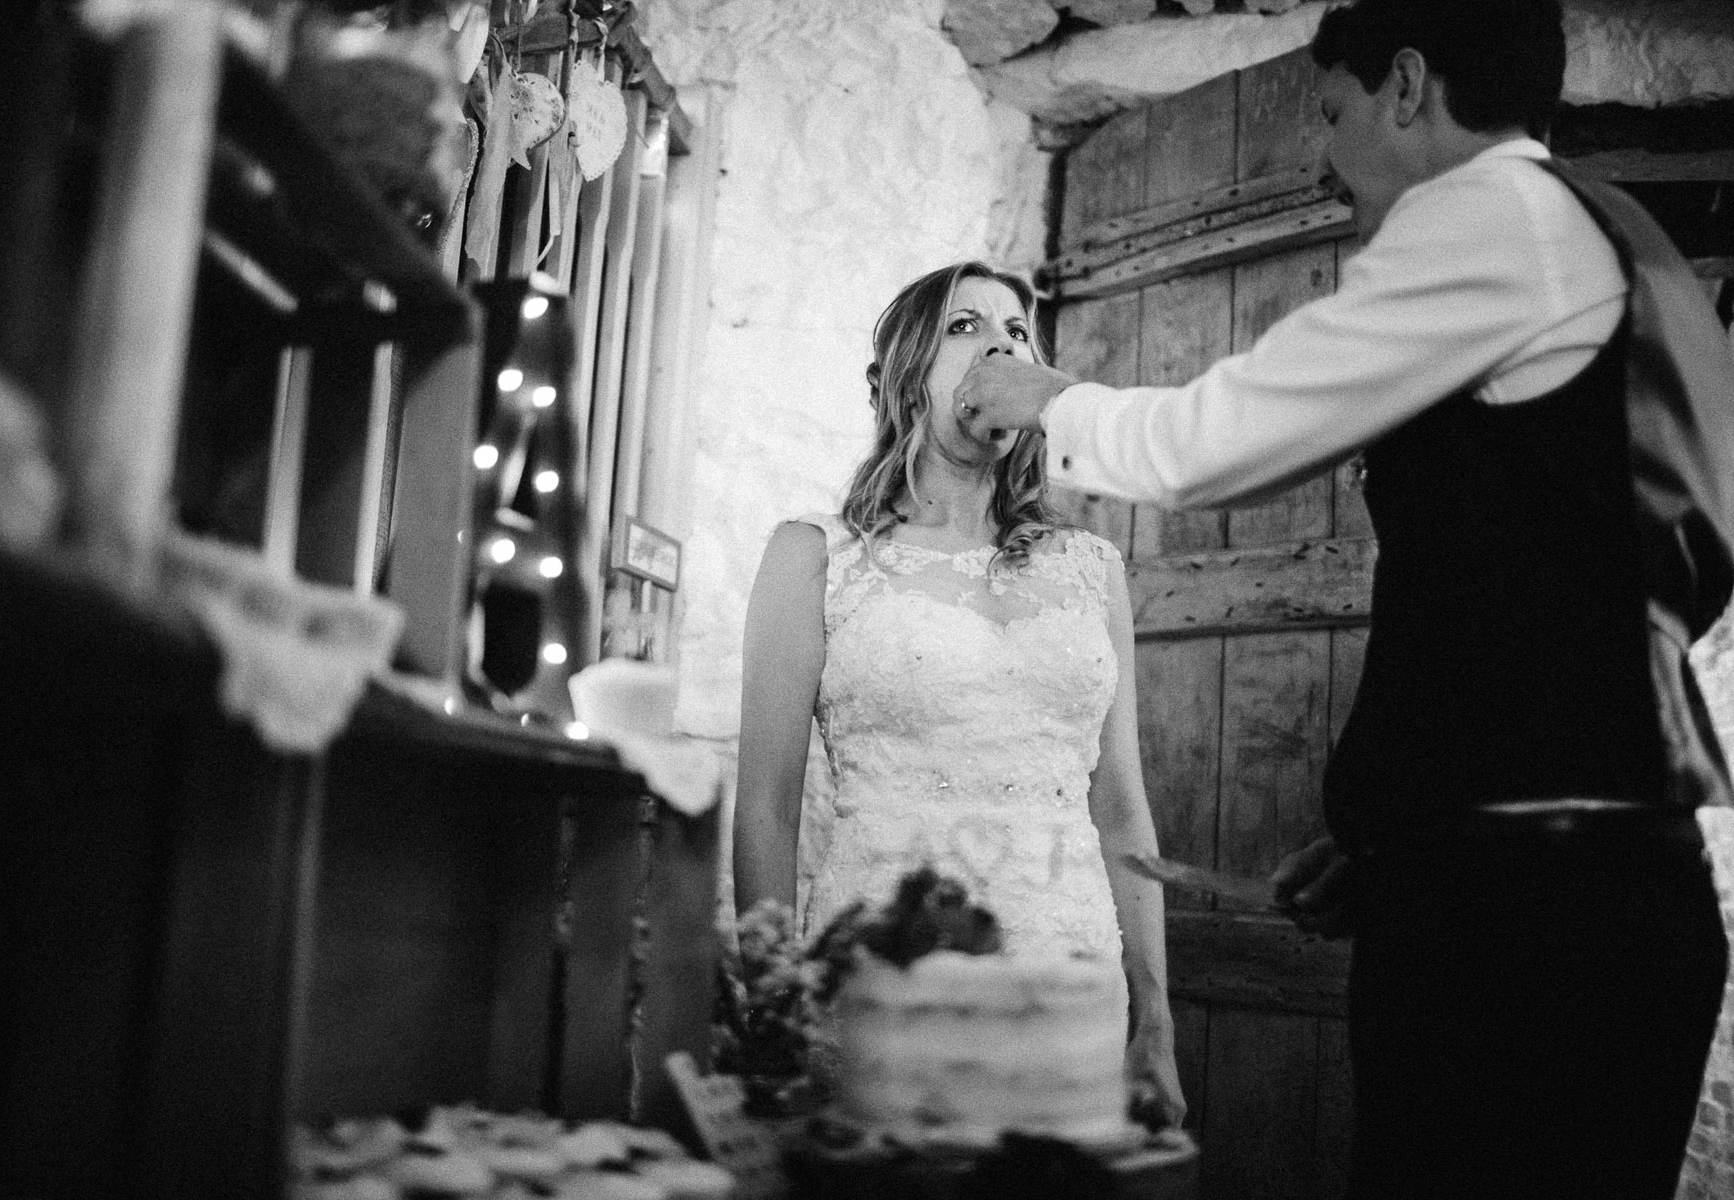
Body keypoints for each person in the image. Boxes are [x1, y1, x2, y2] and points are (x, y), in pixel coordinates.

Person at [952, 1, 1734, 1197]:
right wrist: (1414, 827)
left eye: (1330, 112)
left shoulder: (1493, 214)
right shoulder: (1615, 242)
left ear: (1407, 85)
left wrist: (1041, 391)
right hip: (1576, 892)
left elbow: (1207, 447)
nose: (1324, 157)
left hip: (1530, 937)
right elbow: (1561, 582)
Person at [734, 260, 1185, 1124]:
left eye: (1018, 331)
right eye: (965, 326)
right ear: (901, 379)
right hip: (885, 981)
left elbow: (1121, 806)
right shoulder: (814, 557)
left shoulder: (1091, 571)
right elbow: (765, 807)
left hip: (1070, 983)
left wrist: (1156, 1022)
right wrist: (774, 1003)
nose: (1003, 346)